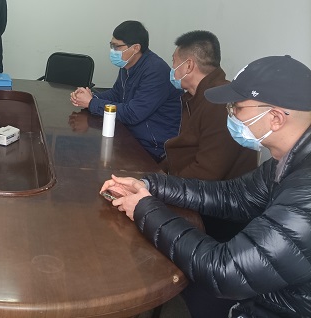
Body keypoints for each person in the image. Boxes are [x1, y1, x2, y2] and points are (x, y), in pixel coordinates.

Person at [100, 55, 311, 318]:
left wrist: (146, 209)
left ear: (276, 118)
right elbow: (233, 195)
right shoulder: (287, 161)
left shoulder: (306, 193)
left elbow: (225, 272)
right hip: (263, 292)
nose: (230, 114)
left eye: (237, 107)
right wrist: (151, 185)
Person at [70, 20, 181, 160]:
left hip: (153, 147)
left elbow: (133, 114)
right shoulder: (127, 65)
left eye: (116, 46)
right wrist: (91, 97)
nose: (112, 50)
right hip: (130, 135)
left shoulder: (155, 71)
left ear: (135, 48)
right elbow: (117, 93)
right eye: (111, 45)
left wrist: (91, 103)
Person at [163, 30, 258, 180]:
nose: (172, 68)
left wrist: (163, 185)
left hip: (217, 191)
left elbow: (206, 172)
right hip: (184, 183)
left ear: (188, 66)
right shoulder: (196, 97)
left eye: (174, 62)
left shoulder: (220, 103)